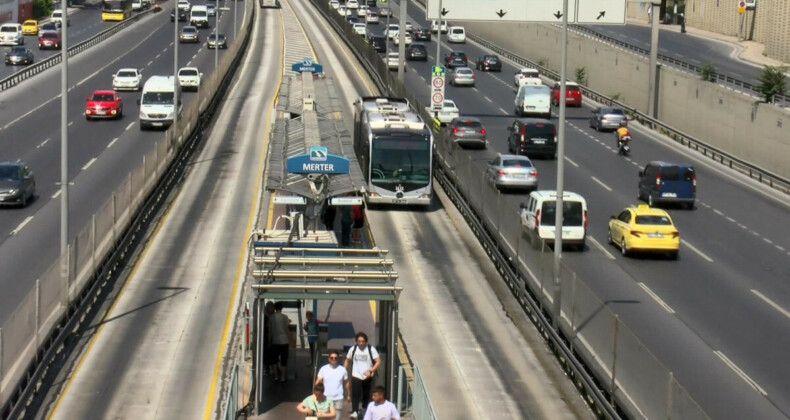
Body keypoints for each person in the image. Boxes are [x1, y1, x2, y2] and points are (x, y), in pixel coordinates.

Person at [344, 332, 381, 419]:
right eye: (359, 341)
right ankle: (355, 411)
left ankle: (364, 410)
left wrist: (371, 370)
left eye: (363, 341)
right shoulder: (353, 349)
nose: (361, 343)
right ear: (356, 341)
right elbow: (347, 359)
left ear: (366, 341)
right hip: (356, 374)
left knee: (366, 393)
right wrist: (344, 368)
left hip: (367, 375)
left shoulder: (370, 349)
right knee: (355, 393)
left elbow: (378, 361)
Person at [316, 350, 350, 420]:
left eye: (335, 358)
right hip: (325, 398)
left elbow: (347, 382)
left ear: (338, 359)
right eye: (332, 358)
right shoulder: (323, 369)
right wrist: (316, 394)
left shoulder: (342, 369)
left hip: (338, 398)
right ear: (328, 358)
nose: (333, 359)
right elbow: (317, 381)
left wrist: (348, 395)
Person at [268, 301, 293, 383]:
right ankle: (282, 377)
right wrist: (291, 339)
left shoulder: (271, 317)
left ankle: (275, 376)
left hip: (274, 341)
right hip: (284, 341)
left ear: (275, 308)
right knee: (284, 360)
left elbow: (270, 331)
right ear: (281, 308)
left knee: (274, 360)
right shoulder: (285, 317)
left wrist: (269, 341)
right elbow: (286, 329)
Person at [262, 301, 276, 376]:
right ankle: (267, 367)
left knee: (270, 353)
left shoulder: (268, 315)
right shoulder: (266, 317)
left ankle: (269, 367)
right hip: (266, 337)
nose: (273, 308)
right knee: (267, 352)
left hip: (269, 337)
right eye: (272, 307)